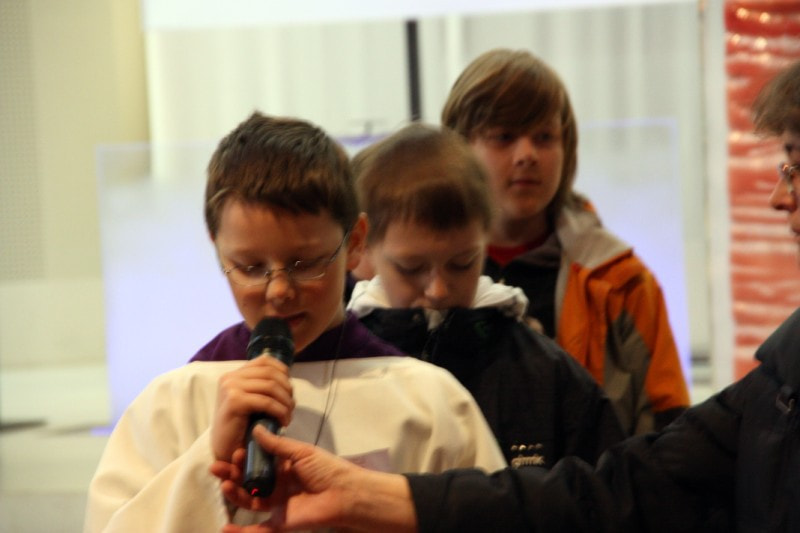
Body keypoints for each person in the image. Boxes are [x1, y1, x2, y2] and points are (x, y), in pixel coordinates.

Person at [212, 59, 800, 532]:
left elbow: (640, 472)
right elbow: (649, 478)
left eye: (792, 166)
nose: (437, 288)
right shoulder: (227, 372)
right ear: (363, 251)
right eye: (251, 266)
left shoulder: (591, 311)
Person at [84, 112, 507, 532]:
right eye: (250, 266)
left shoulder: (429, 402)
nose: (279, 290)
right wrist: (207, 456)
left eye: (305, 263)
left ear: (355, 242)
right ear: (217, 249)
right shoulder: (174, 402)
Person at [441, 48, 689, 434]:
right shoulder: (421, 277)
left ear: (567, 148)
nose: (527, 155)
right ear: (459, 149)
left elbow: (670, 434)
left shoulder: (622, 282)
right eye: (504, 137)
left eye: (544, 137)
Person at [346, 123, 624, 467]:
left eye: (462, 264)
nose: (438, 290)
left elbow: (605, 489)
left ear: (486, 238)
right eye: (411, 268)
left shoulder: (546, 374)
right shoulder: (341, 370)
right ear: (363, 247)